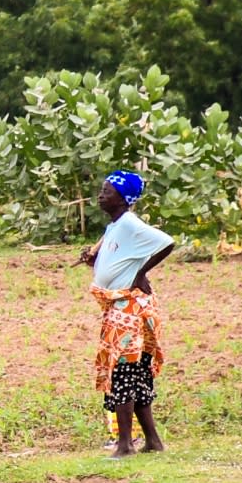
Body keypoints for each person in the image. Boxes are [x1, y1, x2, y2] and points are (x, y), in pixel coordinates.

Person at [76, 170, 176, 459]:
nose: (100, 195)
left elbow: (166, 242)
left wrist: (141, 272)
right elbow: (114, 260)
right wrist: (93, 260)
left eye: (107, 190)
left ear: (122, 198)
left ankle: (124, 445)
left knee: (123, 375)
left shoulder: (130, 223)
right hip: (120, 308)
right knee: (136, 375)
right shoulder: (114, 227)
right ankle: (153, 441)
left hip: (129, 309)